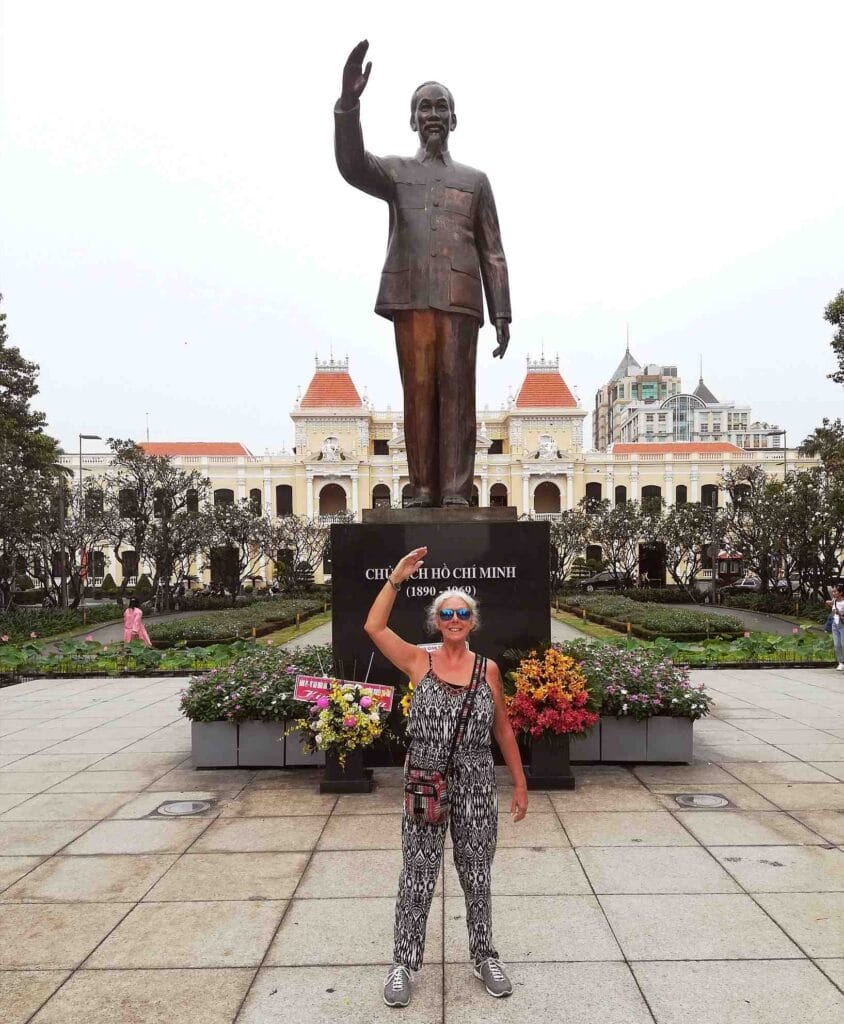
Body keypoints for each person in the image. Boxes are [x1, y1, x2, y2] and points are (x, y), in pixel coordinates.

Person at [335, 41, 512, 507]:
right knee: (418, 391)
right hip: (411, 295)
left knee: (458, 392)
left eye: (441, 107)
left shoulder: (475, 181)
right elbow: (352, 165)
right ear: (413, 120)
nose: (433, 115)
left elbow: (493, 251)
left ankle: (456, 490)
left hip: (460, 299)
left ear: (454, 119)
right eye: (423, 108)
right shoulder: (394, 173)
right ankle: (424, 488)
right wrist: (349, 104)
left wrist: (503, 313)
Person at [364, 546, 527, 1008]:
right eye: (446, 613)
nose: (454, 619)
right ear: (437, 621)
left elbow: (503, 728)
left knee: (477, 872)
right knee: (417, 871)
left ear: (472, 622)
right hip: (424, 778)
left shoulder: (487, 669)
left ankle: (483, 955)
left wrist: (519, 782)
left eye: (462, 613)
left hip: (476, 779)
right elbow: (374, 627)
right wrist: (396, 577)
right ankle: (403, 963)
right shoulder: (419, 662)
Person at [827, 584, 844, 670]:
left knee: (843, 643)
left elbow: (842, 615)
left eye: (835, 591)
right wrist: (830, 604)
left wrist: (839, 613)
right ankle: (841, 662)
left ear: (841, 593)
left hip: (842, 625)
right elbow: (833, 612)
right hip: (835, 624)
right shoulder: (834, 600)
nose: (833, 593)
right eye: (833, 591)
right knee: (837, 644)